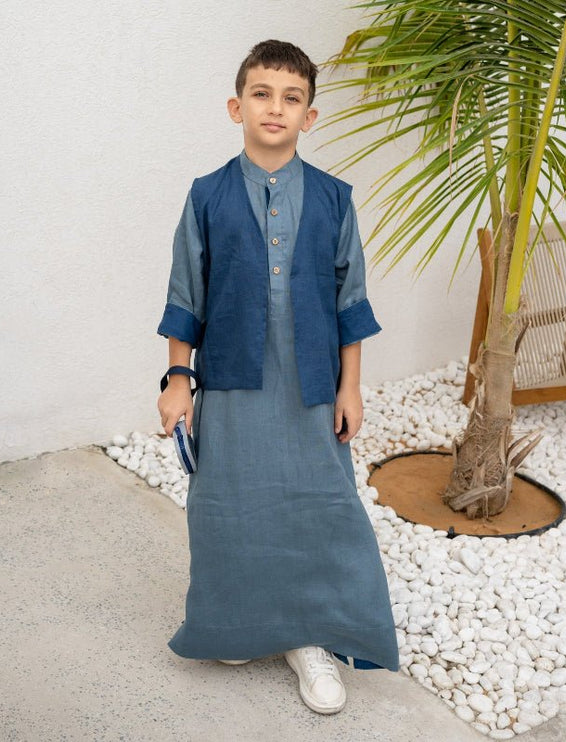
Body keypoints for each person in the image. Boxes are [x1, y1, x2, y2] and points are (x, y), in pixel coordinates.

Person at [156, 39, 399, 715]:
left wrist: (350, 386)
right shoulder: (206, 196)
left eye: (292, 98)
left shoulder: (334, 199)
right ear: (236, 107)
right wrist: (177, 379)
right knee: (228, 504)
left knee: (317, 505)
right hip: (233, 378)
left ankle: (309, 637)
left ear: (309, 117)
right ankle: (239, 624)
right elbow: (186, 295)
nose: (275, 107)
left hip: (312, 382)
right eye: (262, 93)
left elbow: (351, 301)